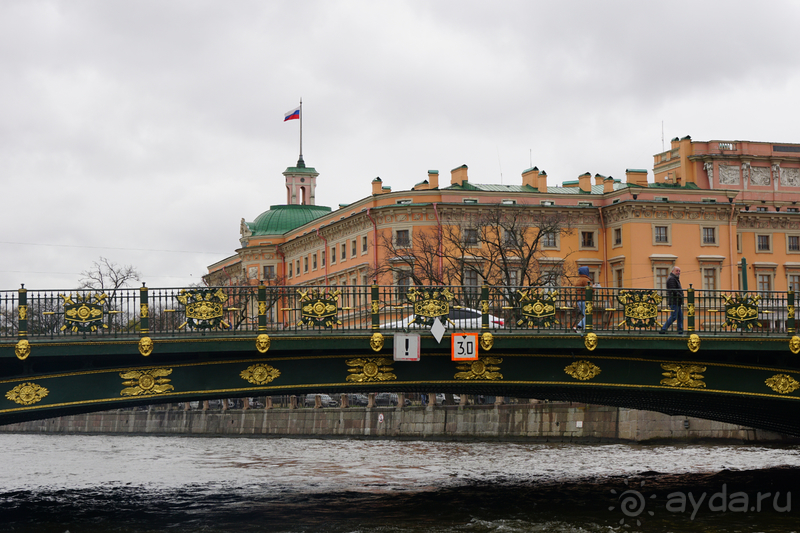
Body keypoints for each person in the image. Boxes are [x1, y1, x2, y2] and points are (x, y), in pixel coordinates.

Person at [660, 266, 684, 334]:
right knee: (674, 316)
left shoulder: (674, 278)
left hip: (676, 301)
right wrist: (680, 295)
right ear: (672, 271)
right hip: (674, 301)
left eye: (679, 271)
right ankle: (663, 329)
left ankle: (680, 330)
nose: (678, 272)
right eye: (677, 271)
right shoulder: (672, 279)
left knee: (680, 316)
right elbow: (673, 290)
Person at [573, 266, 592, 333]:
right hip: (585, 299)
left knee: (585, 314)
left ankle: (580, 327)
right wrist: (594, 287)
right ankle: (580, 327)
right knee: (588, 315)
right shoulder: (585, 280)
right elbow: (590, 289)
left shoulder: (579, 279)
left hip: (579, 300)